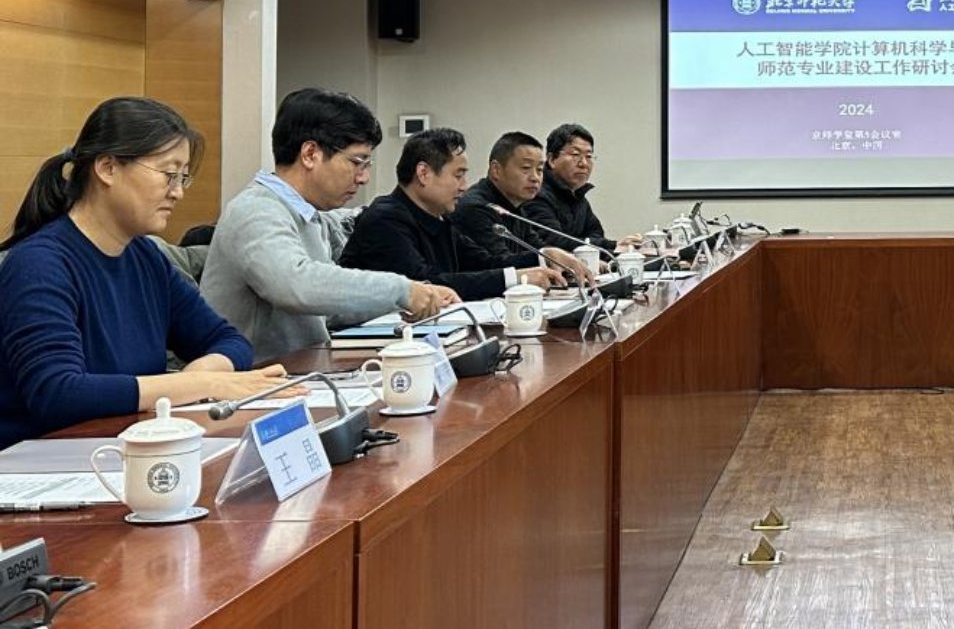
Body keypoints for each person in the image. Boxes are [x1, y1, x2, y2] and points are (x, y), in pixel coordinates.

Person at [0, 98, 290, 447]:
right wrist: (197, 385)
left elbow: (229, 341)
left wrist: (207, 372)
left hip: (128, 447)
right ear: (107, 168)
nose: (178, 192)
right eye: (169, 175)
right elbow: (59, 393)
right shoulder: (38, 265)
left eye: (183, 178)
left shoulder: (145, 256)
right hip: (46, 461)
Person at [202, 89, 459, 364]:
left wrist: (407, 298)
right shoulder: (256, 209)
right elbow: (296, 286)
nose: (363, 177)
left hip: (301, 371)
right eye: (357, 162)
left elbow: (327, 310)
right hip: (253, 380)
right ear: (310, 154)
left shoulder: (308, 214)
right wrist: (400, 290)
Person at [340, 128, 571, 299]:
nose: (464, 186)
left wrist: (544, 257)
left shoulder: (439, 217)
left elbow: (483, 263)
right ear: (423, 173)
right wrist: (515, 278)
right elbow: (427, 284)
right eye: (458, 175)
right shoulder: (385, 219)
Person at [455, 131, 597, 281]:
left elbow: (535, 246)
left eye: (539, 170)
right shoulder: (476, 208)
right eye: (526, 168)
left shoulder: (515, 206)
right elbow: (499, 265)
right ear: (496, 170)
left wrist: (574, 263)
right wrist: (545, 258)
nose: (535, 178)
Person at [524, 123, 606, 243]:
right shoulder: (536, 194)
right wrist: (612, 245)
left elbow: (597, 235)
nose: (584, 164)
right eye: (575, 155)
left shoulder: (578, 197)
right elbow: (554, 241)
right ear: (552, 159)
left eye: (589, 156)